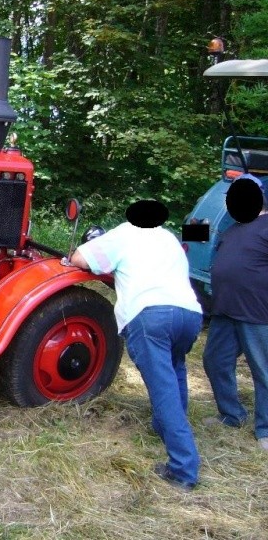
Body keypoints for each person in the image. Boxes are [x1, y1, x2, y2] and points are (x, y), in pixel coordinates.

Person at [70, 199, 203, 490]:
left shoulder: (124, 233)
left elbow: (81, 258)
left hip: (150, 314)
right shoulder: (167, 237)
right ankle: (166, 428)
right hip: (189, 312)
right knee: (176, 367)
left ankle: (183, 469)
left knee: (162, 385)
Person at [204, 174, 268, 451]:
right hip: (225, 310)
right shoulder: (233, 228)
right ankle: (232, 415)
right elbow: (198, 235)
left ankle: (265, 430)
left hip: (257, 313)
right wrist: (191, 229)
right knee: (214, 361)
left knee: (263, 372)